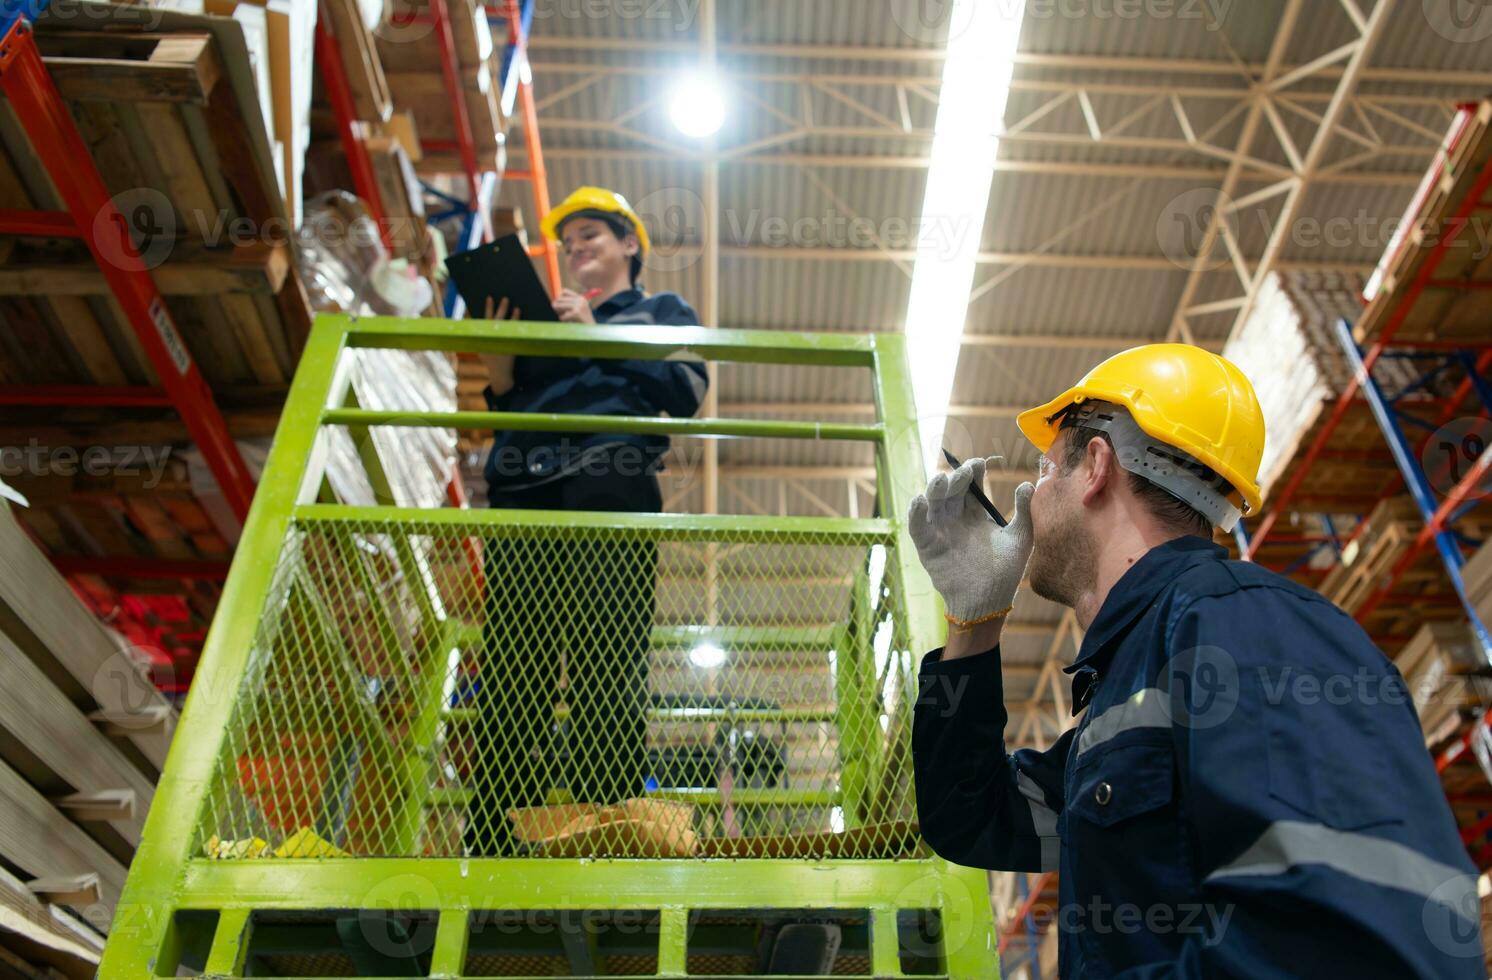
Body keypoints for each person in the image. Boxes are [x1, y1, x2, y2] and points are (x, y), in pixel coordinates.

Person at [908, 344, 1482, 977]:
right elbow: (970, 815)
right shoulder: (1128, 685)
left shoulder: (1241, 626)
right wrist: (973, 622)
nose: (1029, 495)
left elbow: (1363, 937)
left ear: (1095, 466)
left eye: (1045, 470)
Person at [465, 187, 708, 857]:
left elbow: (686, 391)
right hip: (524, 489)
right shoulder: (548, 319)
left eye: (591, 236)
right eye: (569, 243)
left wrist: (594, 334)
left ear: (630, 244)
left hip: (611, 476)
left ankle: (609, 835)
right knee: (518, 666)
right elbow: (508, 396)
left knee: (608, 654)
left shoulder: (660, 311)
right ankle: (492, 842)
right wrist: (502, 346)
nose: (576, 250)